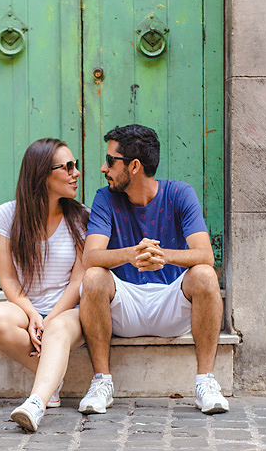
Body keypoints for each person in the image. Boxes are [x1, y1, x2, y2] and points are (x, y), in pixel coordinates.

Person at [77, 124, 228, 415]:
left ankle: (205, 382)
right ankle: (102, 382)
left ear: (134, 166)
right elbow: (90, 257)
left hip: (171, 303)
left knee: (205, 275)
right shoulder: (105, 198)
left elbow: (205, 254)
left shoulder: (180, 194)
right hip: (124, 304)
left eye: (110, 161)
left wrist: (162, 256)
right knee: (94, 276)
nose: (102, 168)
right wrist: (133, 254)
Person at [0, 138, 88, 432]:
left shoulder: (80, 217)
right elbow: (9, 279)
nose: (75, 173)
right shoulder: (7, 215)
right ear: (41, 173)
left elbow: (79, 280)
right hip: (27, 307)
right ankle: (51, 378)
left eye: (75, 165)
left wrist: (50, 318)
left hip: (70, 311)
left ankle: (36, 402)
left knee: (58, 328)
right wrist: (33, 316)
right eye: (67, 167)